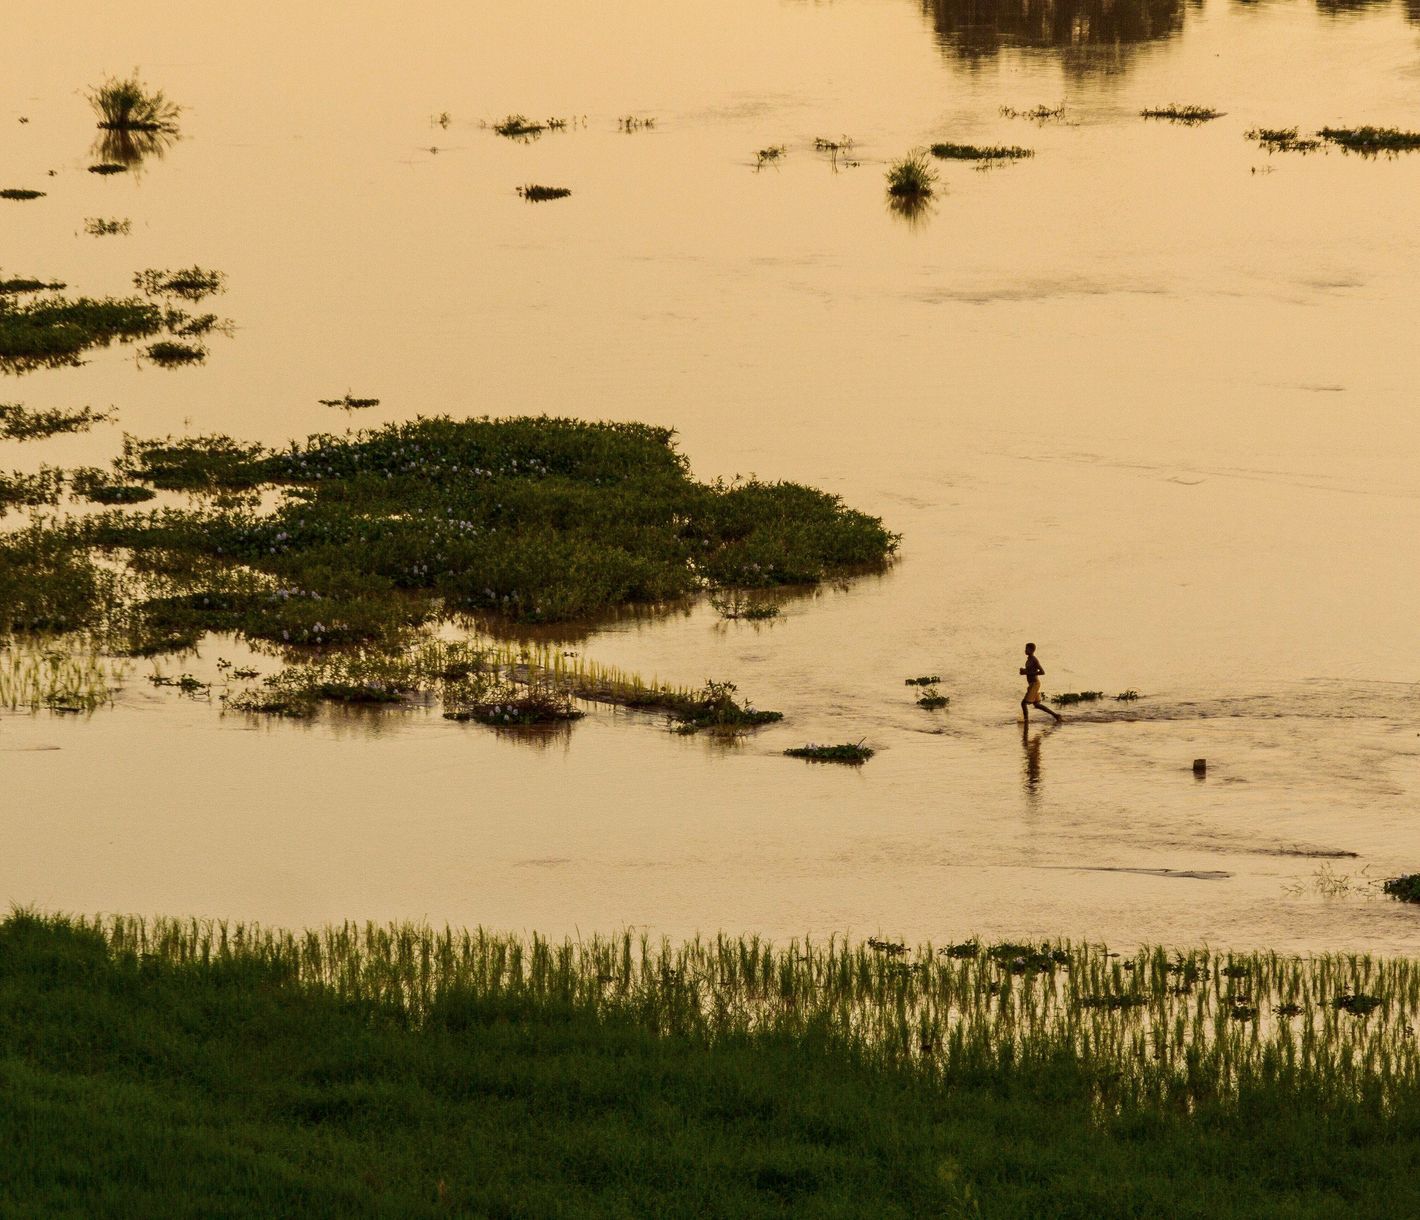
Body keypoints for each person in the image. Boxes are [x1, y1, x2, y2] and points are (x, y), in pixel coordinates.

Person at [1020, 642, 1061, 725]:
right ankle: (1056, 715)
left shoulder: (1034, 659)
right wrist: (1024, 671)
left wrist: (1026, 673)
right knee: (1037, 705)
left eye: (1027, 649)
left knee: (1023, 703)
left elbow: (1042, 672)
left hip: (1035, 684)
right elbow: (1031, 670)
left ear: (1032, 650)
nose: (1025, 650)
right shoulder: (1028, 659)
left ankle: (1026, 721)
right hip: (1031, 684)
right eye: (1025, 648)